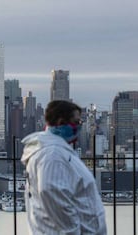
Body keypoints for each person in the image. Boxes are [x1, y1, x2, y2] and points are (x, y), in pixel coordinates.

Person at [21, 100, 107, 234]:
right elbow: (50, 190)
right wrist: (72, 231)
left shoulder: (56, 150)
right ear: (61, 122)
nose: (79, 127)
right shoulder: (53, 153)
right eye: (77, 122)